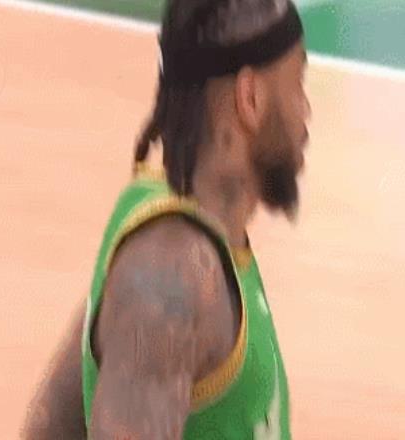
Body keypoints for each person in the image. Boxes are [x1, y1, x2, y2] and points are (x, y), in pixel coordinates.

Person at [22, 0, 310, 438]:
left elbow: (52, 427)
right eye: (298, 85)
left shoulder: (168, 223)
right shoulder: (171, 280)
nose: (306, 111)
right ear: (250, 98)